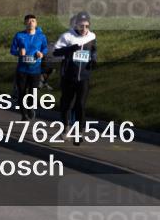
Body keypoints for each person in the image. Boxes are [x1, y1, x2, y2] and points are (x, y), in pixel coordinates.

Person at [52, 12, 97, 144]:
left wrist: (93, 60)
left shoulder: (92, 36)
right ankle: (66, 128)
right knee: (67, 104)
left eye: (87, 26)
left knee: (80, 105)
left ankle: (80, 131)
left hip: (84, 77)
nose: (84, 29)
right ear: (76, 25)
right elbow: (55, 51)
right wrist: (70, 48)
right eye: (81, 26)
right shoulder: (67, 36)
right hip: (68, 77)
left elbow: (94, 50)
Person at [10, 13, 48, 120]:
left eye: (33, 21)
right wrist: (18, 52)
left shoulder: (41, 36)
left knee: (33, 92)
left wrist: (41, 53)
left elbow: (45, 48)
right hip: (22, 70)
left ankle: (30, 108)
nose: (31, 22)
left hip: (35, 70)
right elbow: (12, 50)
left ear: (36, 24)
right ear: (25, 23)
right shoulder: (19, 35)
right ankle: (24, 114)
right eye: (29, 21)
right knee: (22, 92)